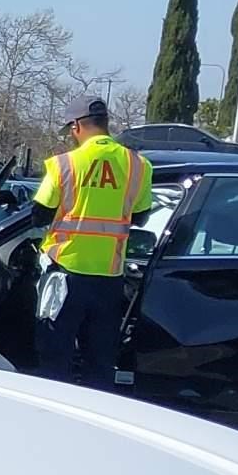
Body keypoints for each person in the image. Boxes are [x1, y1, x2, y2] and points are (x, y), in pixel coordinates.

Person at [29, 96, 152, 388]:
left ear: (75, 127)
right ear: (105, 125)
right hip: (109, 278)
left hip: (65, 275)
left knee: (54, 358)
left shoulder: (64, 165)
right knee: (99, 363)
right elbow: (142, 217)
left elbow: (38, 215)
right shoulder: (138, 165)